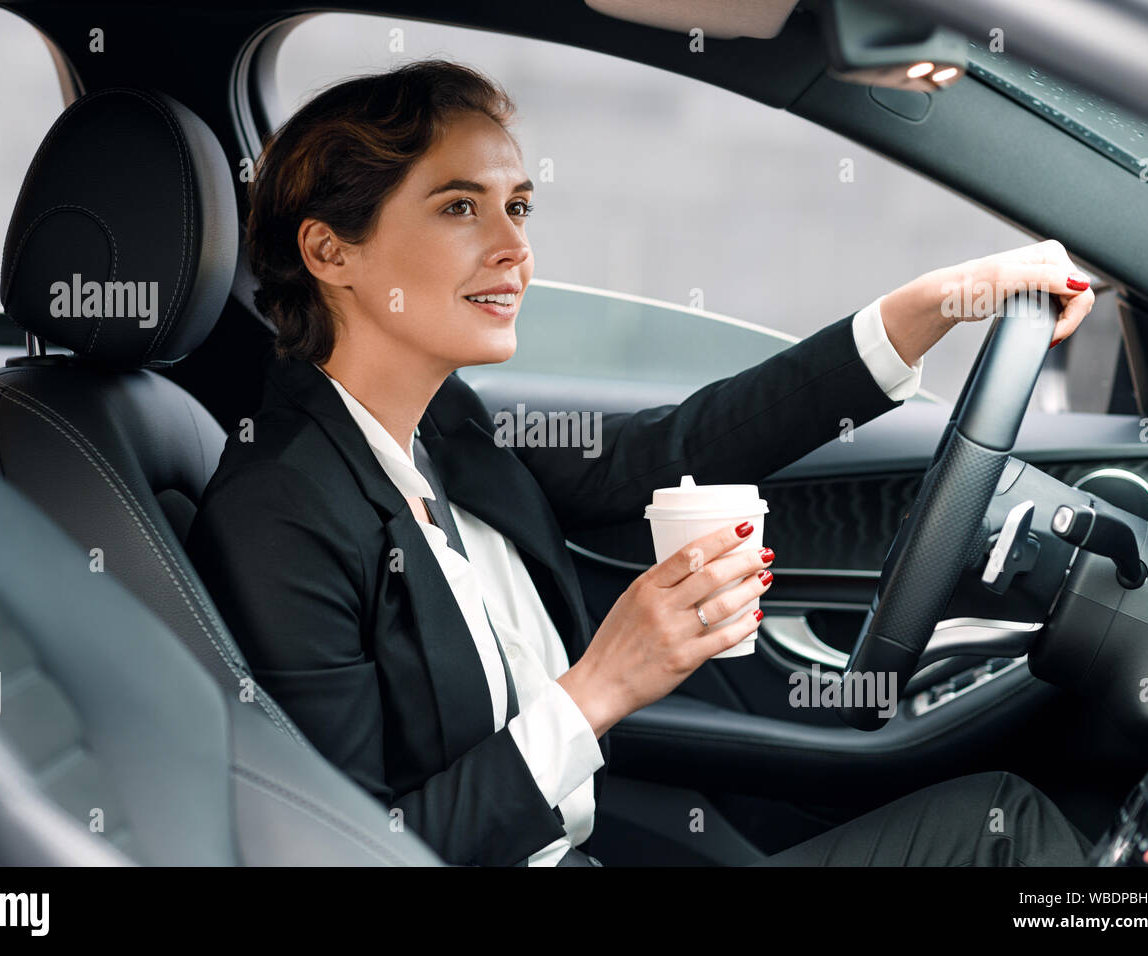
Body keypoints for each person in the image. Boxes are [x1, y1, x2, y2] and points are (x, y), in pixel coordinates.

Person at [185, 58, 1098, 867]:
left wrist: (935, 303)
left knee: (996, 824)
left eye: (519, 206)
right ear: (329, 250)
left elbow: (680, 448)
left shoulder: (442, 424)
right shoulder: (281, 511)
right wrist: (605, 685)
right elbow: (349, 850)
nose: (516, 250)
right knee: (1002, 836)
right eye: (460, 206)